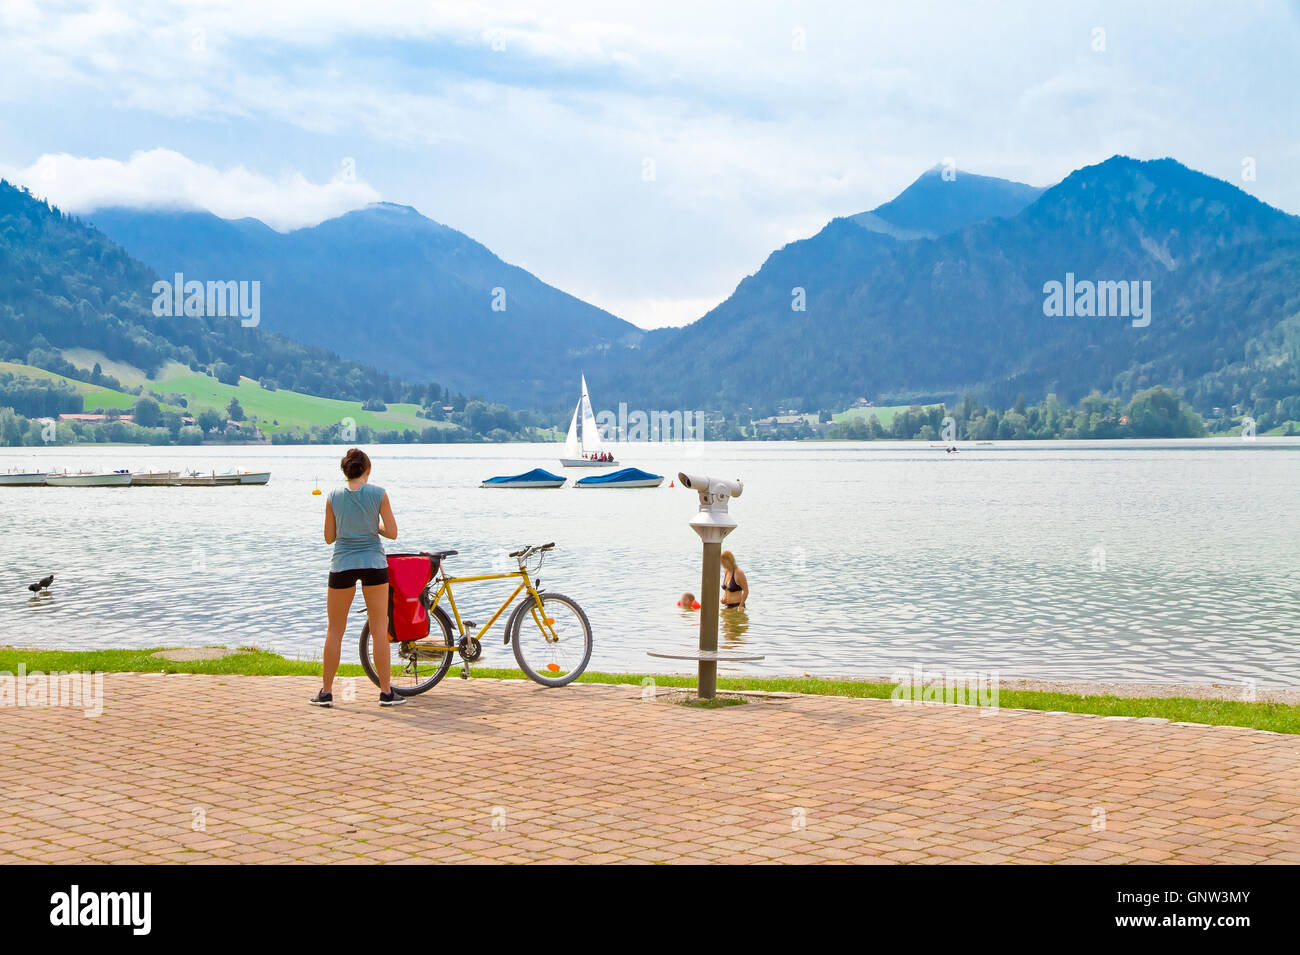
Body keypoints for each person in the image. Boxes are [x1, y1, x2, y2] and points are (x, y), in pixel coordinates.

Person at [310, 448, 404, 707]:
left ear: (344, 471)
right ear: (368, 470)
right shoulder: (379, 494)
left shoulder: (333, 497)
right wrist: (373, 526)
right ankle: (386, 693)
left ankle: (326, 693)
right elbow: (392, 533)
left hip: (342, 564)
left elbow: (329, 538)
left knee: (335, 630)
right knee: (378, 628)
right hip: (374, 563)